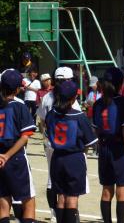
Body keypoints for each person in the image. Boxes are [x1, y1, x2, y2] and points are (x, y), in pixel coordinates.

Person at [93, 67, 124, 223]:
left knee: (107, 190)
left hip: (104, 147)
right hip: (119, 149)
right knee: (122, 189)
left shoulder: (98, 103)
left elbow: (96, 130)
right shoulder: (122, 102)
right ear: (120, 84)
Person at [45, 80, 98, 223]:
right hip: (74, 159)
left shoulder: (51, 114)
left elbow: (46, 132)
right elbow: (92, 142)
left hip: (57, 158)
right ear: (74, 98)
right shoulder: (79, 117)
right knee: (72, 198)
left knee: (61, 197)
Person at [36, 66, 83, 222]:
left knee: (53, 180)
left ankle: (54, 213)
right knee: (70, 187)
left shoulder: (47, 97)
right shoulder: (71, 99)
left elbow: (42, 120)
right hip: (69, 147)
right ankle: (70, 214)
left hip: (52, 143)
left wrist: (46, 136)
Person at [0, 69, 37, 223]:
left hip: (0, 159)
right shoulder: (20, 106)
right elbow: (25, 136)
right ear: (17, 89)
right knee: (28, 202)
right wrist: (7, 155)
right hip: (15, 159)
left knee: (3, 203)